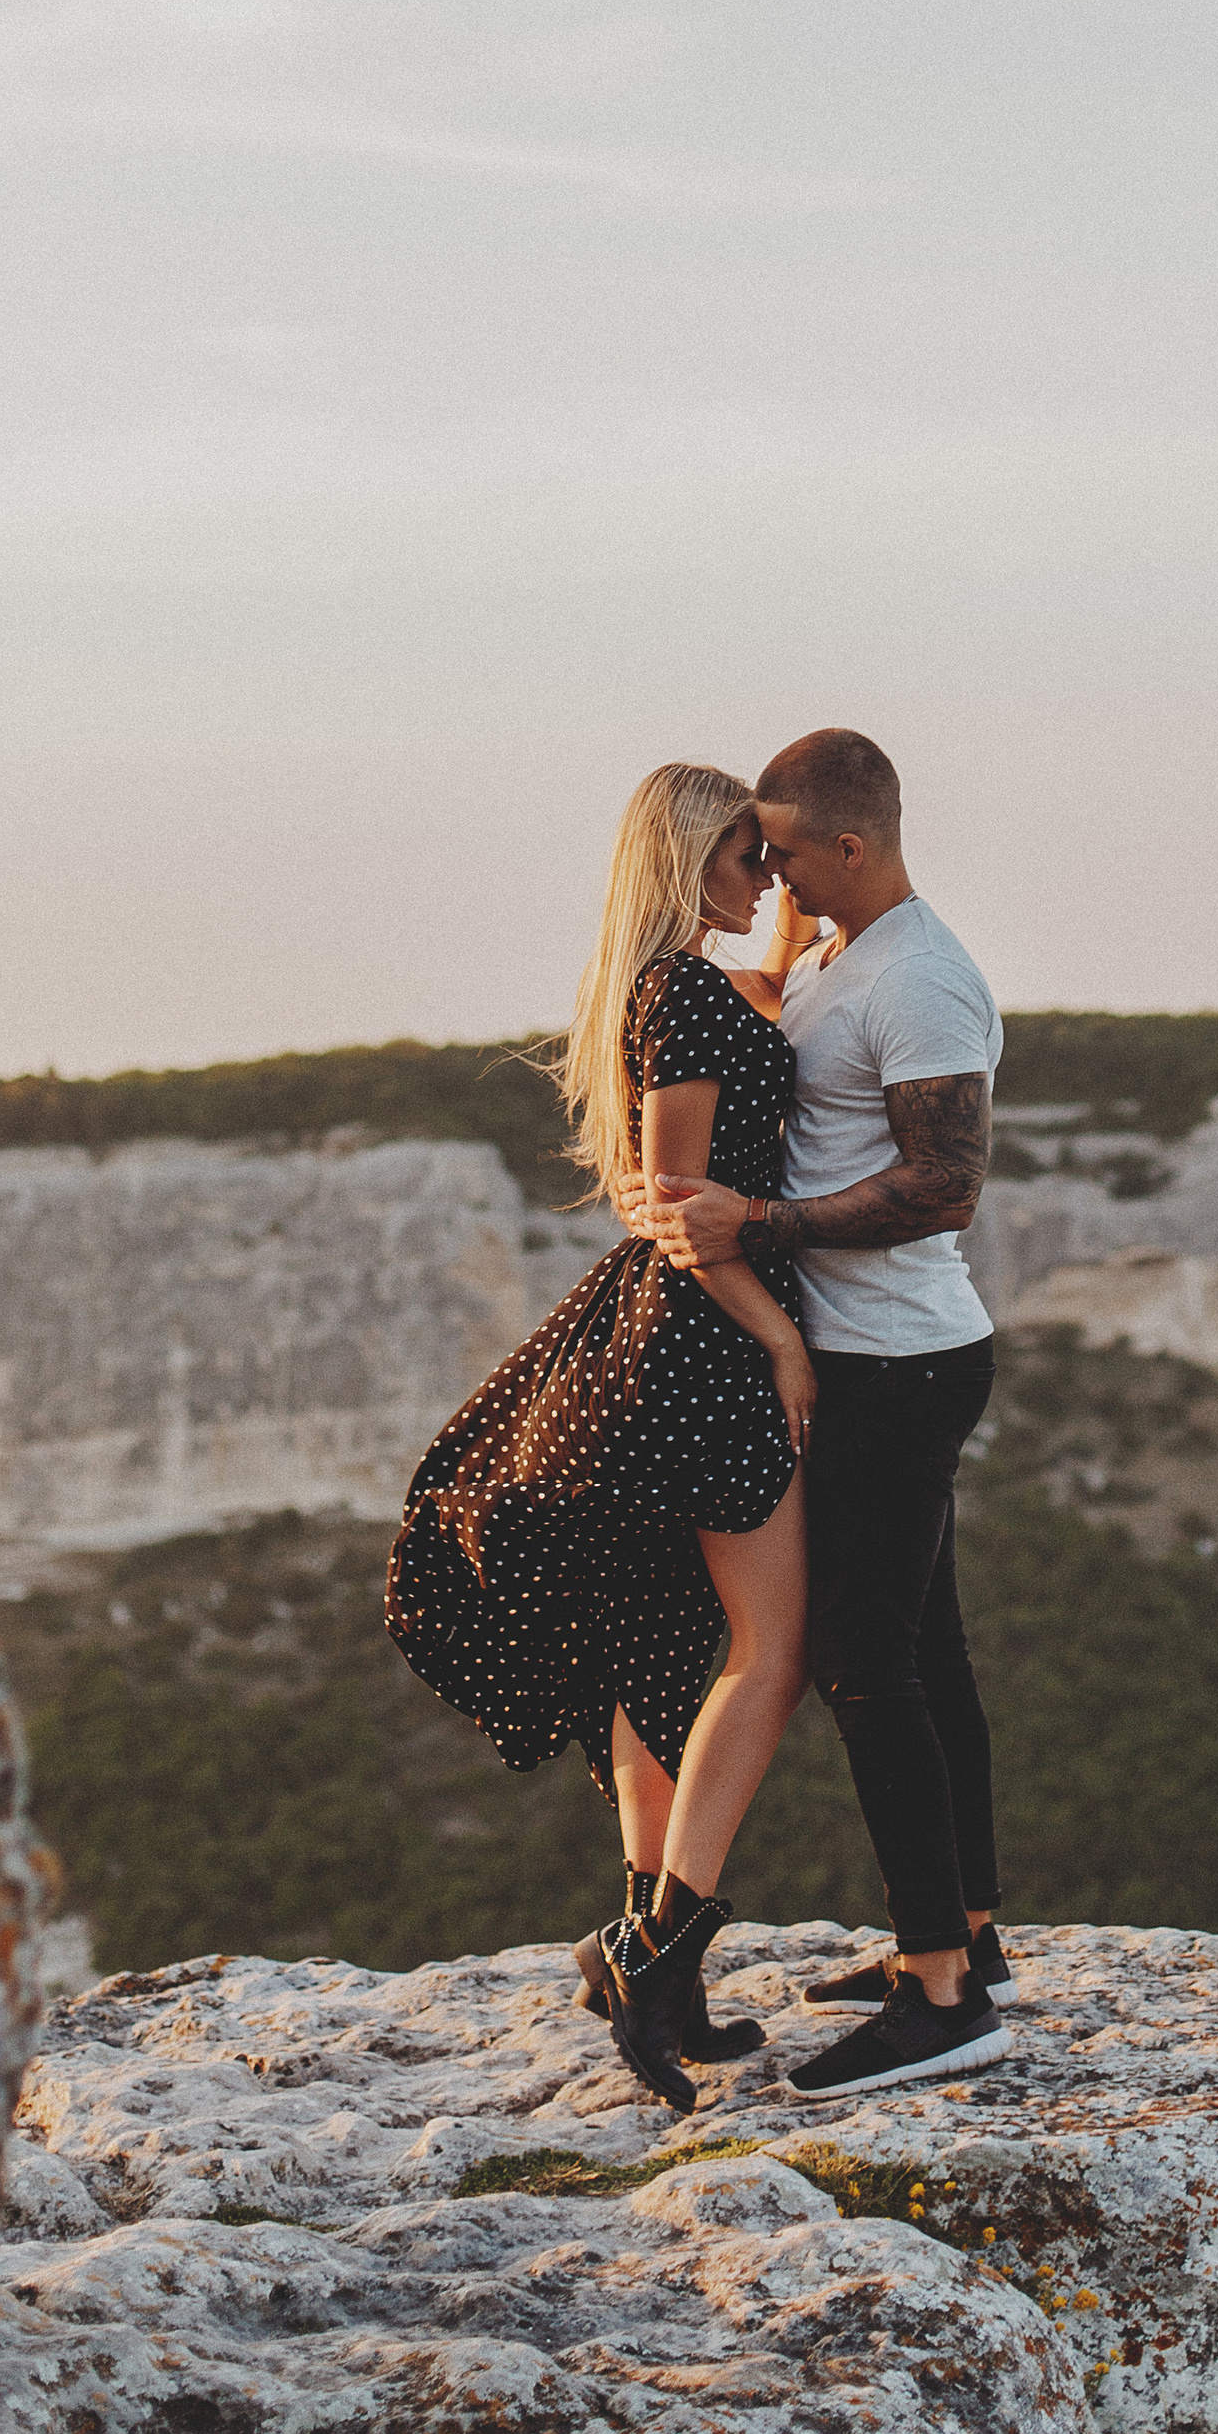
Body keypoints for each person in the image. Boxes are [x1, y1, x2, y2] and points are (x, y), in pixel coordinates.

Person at [385, 761, 817, 2113]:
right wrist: (781, 1333)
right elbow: (682, 1201)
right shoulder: (684, 995)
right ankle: (659, 1950)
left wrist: (799, 923)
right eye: (750, 857)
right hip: (706, 1344)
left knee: (653, 1649)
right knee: (769, 1654)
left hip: (654, 1343)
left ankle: (646, 1952)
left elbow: (668, 1158)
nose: (767, 880)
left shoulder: (672, 987)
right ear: (693, 860)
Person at [646, 725, 1016, 2101]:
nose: (766, 871)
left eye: (784, 852)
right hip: (873, 1353)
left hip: (900, 1362)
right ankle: (970, 1938)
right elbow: (728, 1021)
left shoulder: (924, 981)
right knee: (932, 1650)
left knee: (869, 1667)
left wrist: (765, 1221)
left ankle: (938, 1996)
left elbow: (944, 1184)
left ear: (850, 849)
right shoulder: (831, 958)